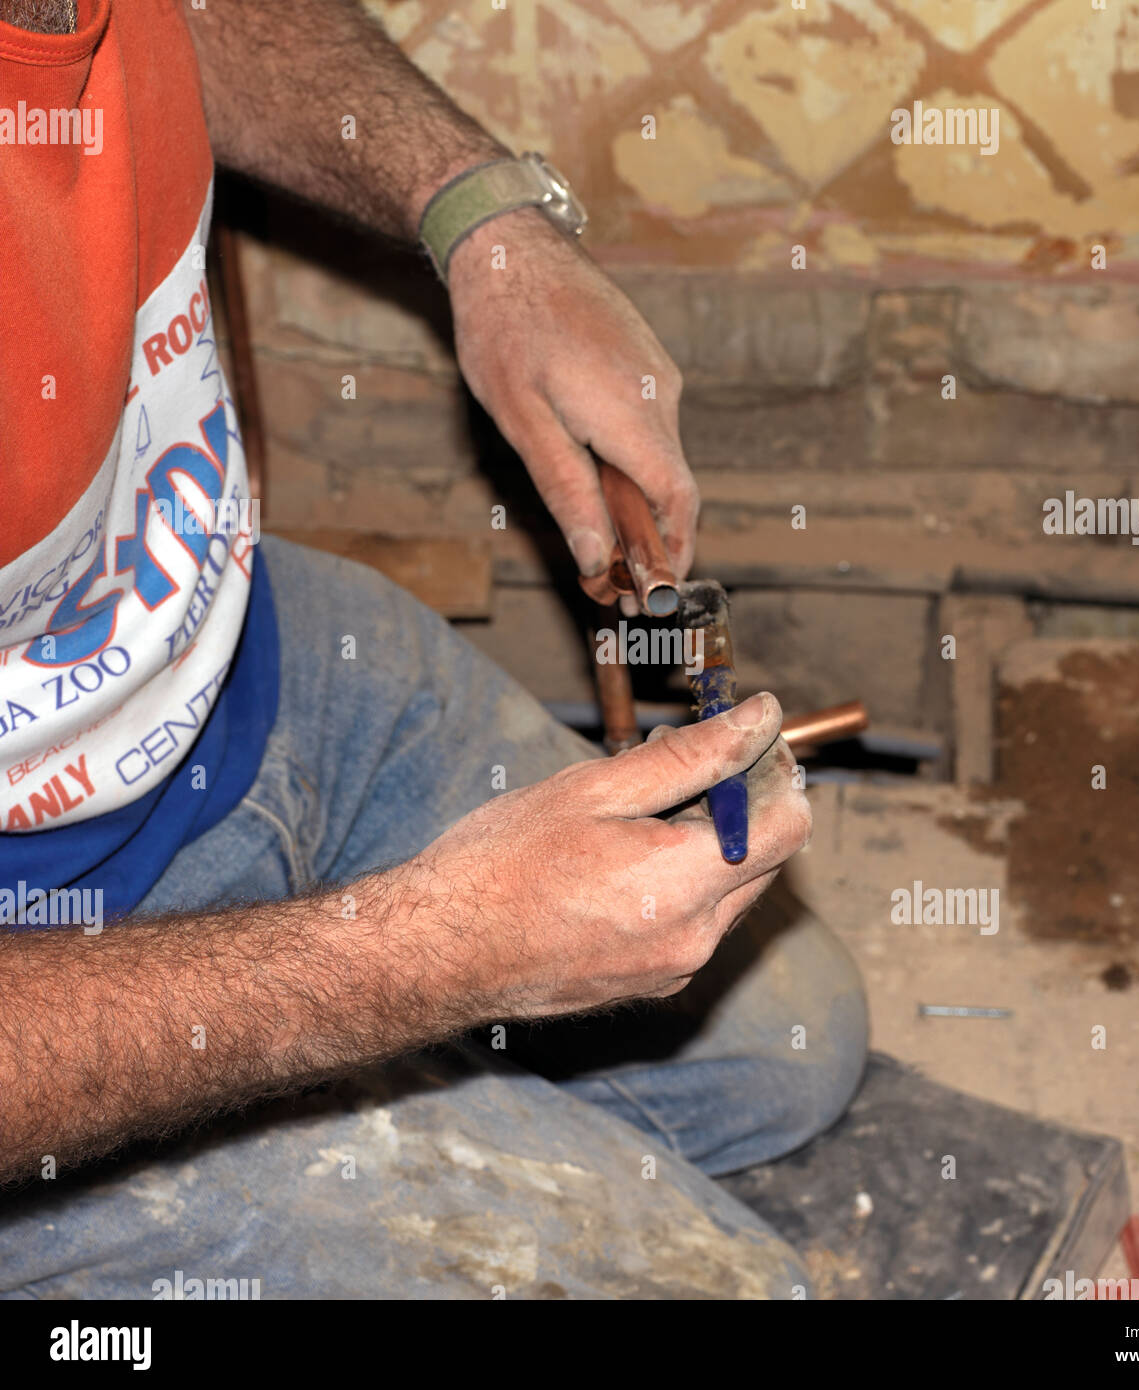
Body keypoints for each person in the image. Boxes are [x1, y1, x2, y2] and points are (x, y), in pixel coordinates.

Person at [0, 0, 868, 1298]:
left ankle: (357, 1085)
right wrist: (417, 957)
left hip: (245, 664)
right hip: (46, 960)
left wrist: (481, 218)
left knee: (793, 1044)